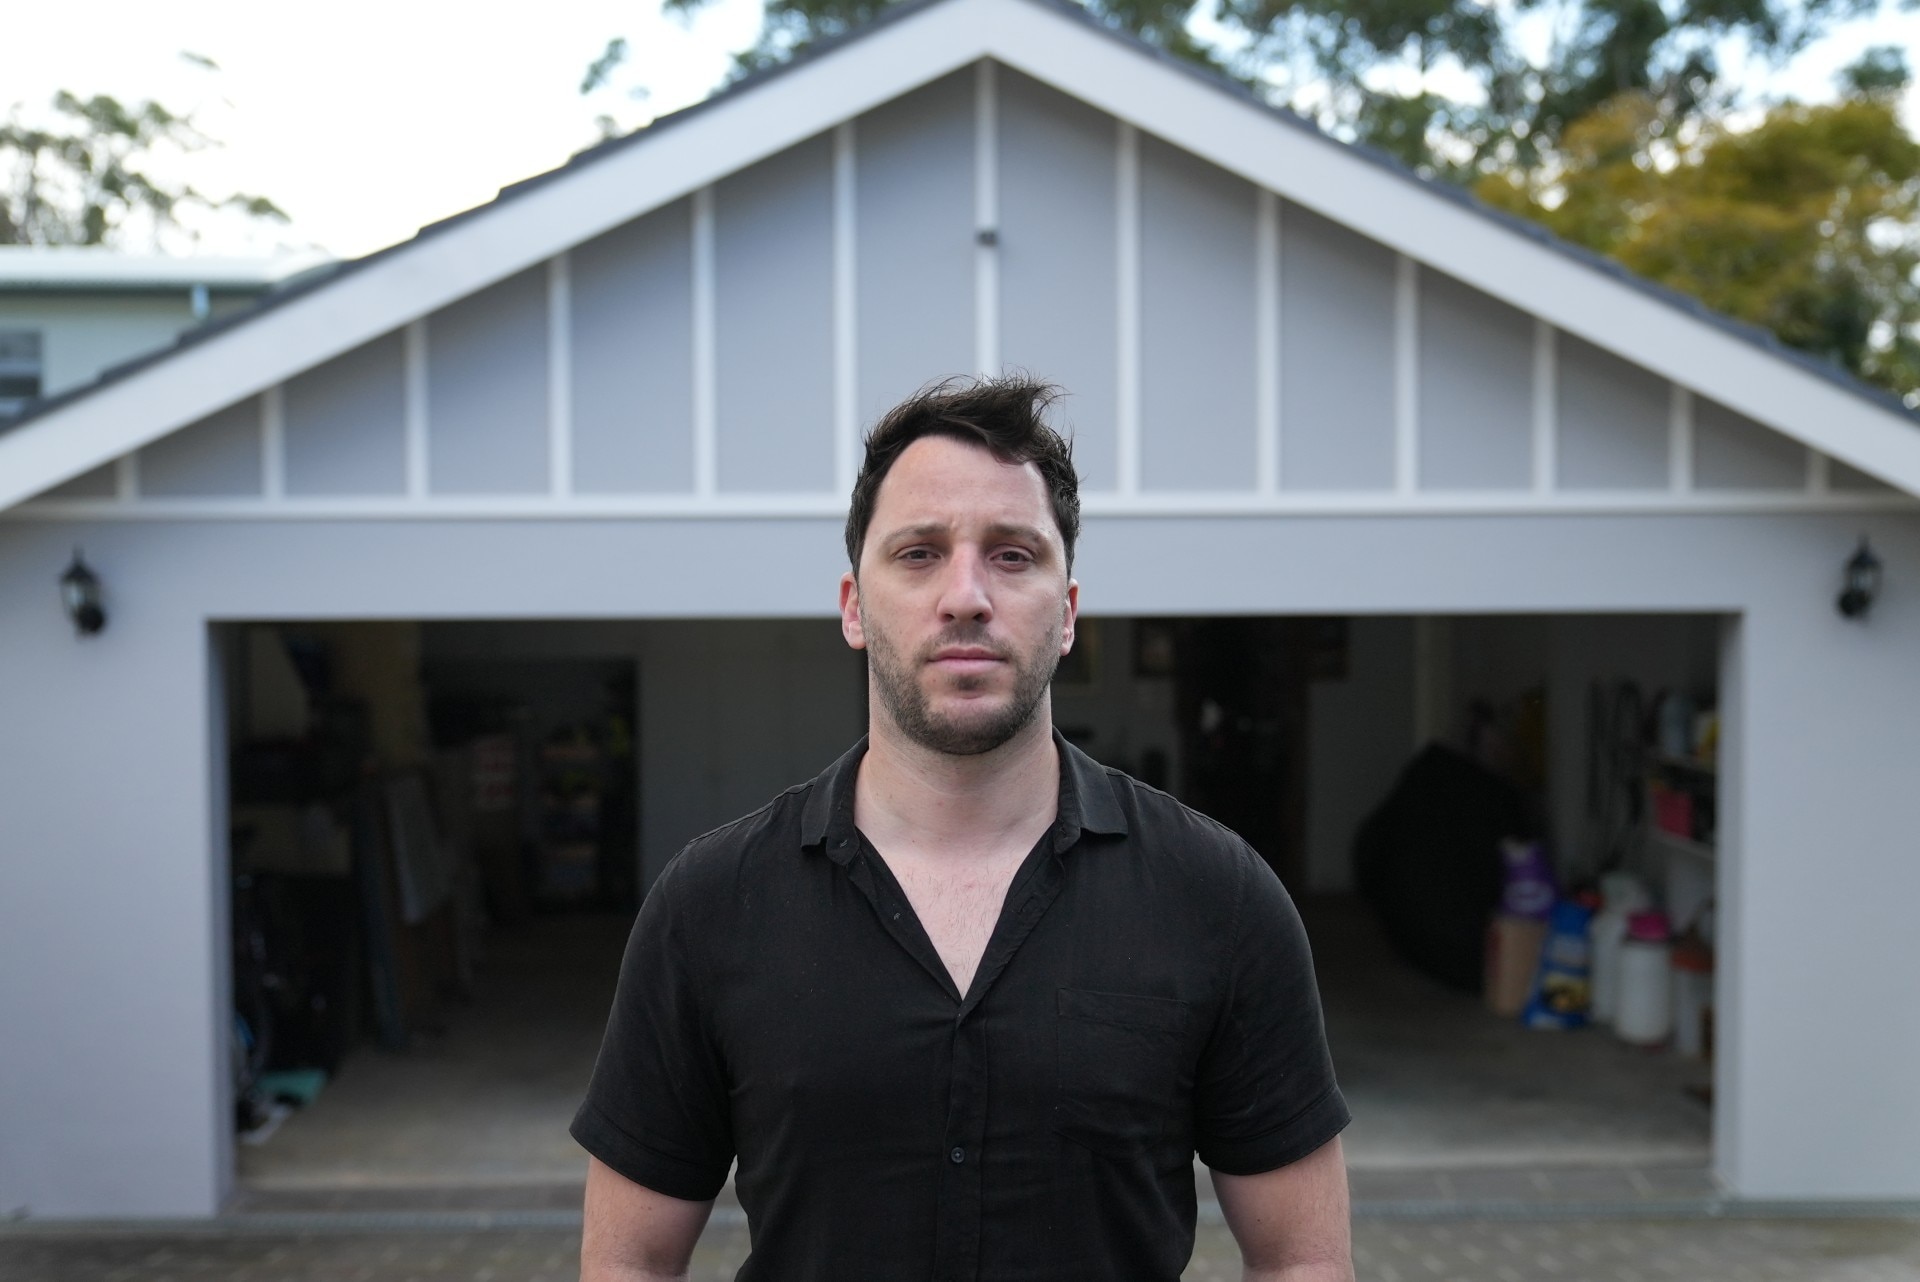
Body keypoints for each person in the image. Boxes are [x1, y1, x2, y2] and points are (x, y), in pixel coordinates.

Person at [572, 377, 1353, 1282]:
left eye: (1013, 555)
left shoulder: (1219, 897)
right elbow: (627, 1264)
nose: (967, 595)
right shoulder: (710, 906)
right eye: (919, 553)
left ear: (1066, 614)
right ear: (854, 607)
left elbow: (1303, 1262)